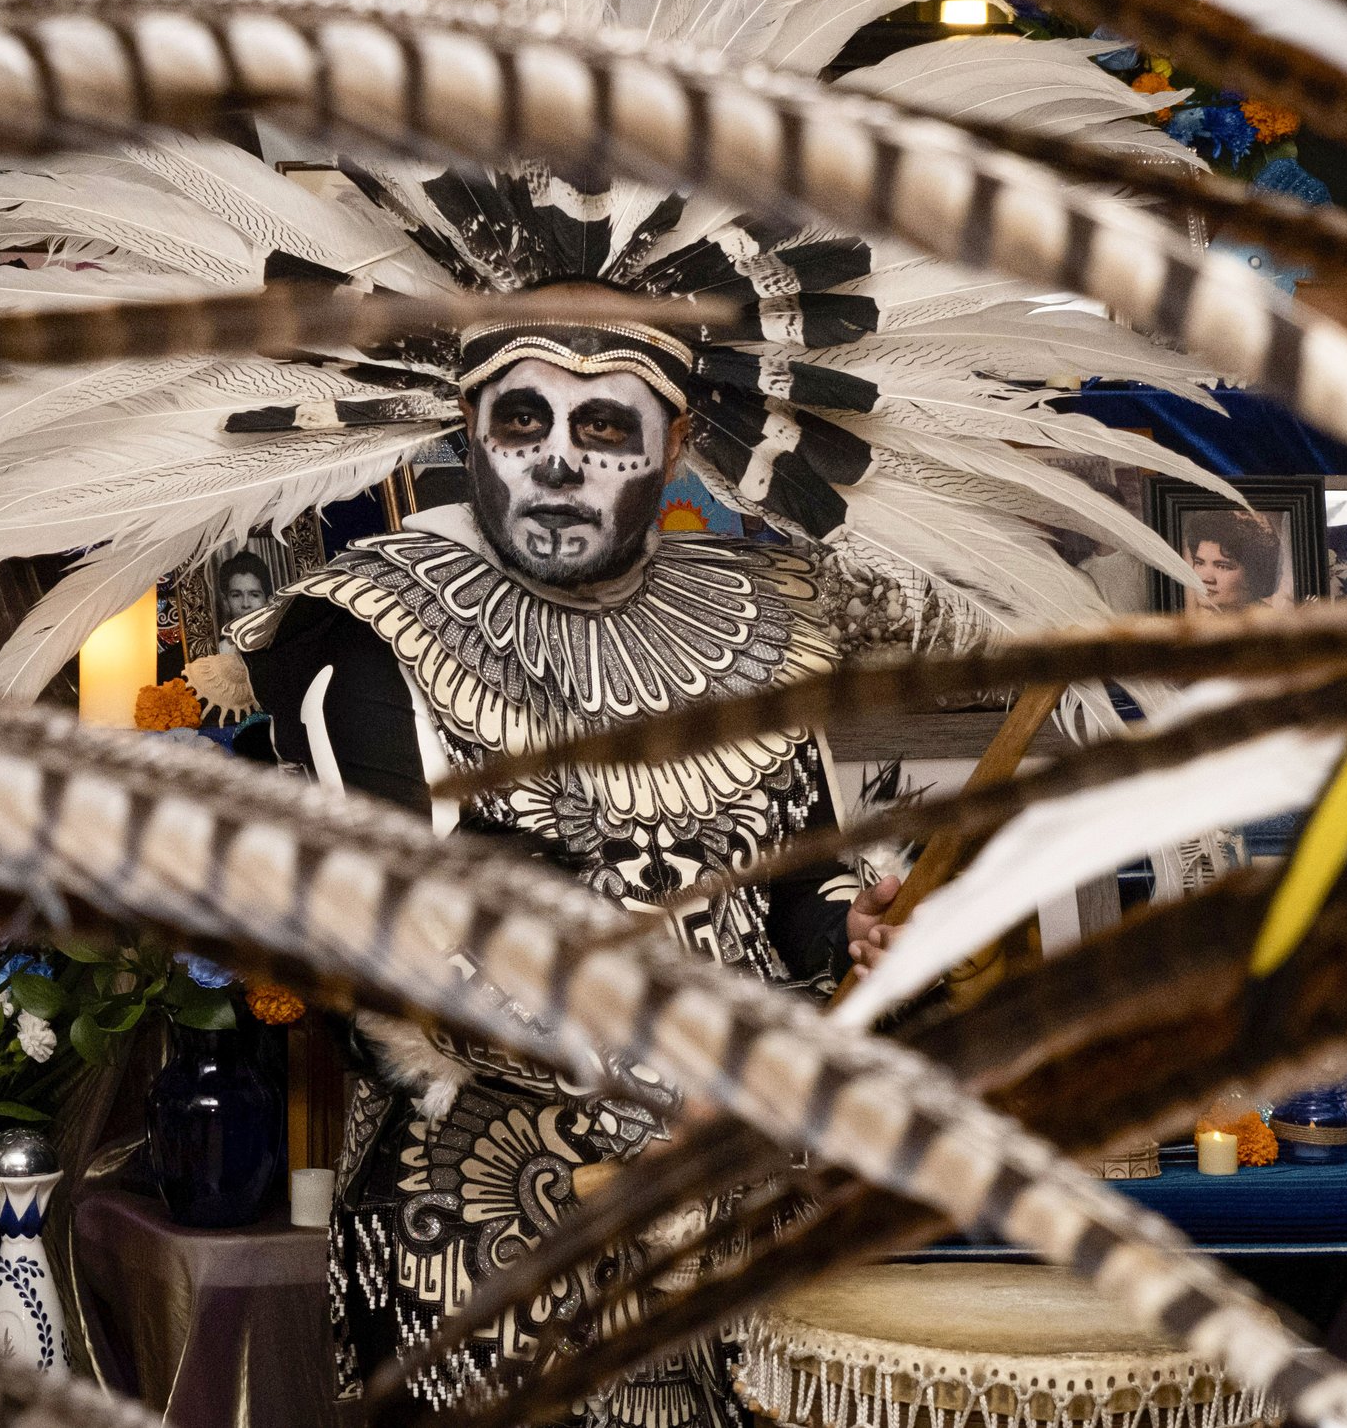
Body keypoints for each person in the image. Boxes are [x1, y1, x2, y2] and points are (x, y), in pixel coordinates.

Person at [229, 318, 900, 1424]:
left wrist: (855, 930)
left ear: (676, 443)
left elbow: (799, 881)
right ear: (469, 430)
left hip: (738, 1233)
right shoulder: (369, 634)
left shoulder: (765, 623)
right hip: (490, 1240)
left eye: (602, 424)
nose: (555, 458)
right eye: (520, 419)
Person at [1185, 510, 1284, 614]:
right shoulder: (1208, 626)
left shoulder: (1275, 627)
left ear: (1255, 574)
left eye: (1222, 566)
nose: (1205, 579)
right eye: (1199, 563)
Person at [215, 548, 274, 628]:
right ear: (225, 602)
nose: (245, 604)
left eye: (254, 595)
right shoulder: (222, 641)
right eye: (236, 595)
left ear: (268, 601)